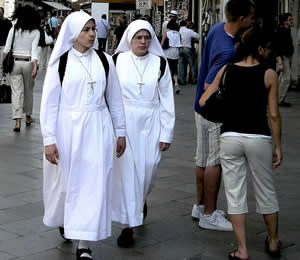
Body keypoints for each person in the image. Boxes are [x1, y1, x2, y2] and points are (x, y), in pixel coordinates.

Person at [40, 11, 126, 259]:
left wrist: (120, 132)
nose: (91, 34)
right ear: (72, 33)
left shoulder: (105, 60)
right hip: (68, 129)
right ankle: (67, 220)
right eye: (85, 29)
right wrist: (49, 140)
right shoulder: (61, 63)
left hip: (98, 128)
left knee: (93, 183)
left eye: (92, 29)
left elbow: (115, 99)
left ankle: (84, 244)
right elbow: (50, 104)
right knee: (67, 183)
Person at [199, 26, 282, 260]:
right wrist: (277, 146)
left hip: (230, 137)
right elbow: (274, 114)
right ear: (260, 48)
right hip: (259, 137)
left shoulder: (226, 70)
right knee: (266, 190)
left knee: (235, 194)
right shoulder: (269, 74)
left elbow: (205, 99)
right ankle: (273, 241)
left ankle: (242, 250)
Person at [192, 0, 255, 231]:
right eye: (251, 17)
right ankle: (209, 214)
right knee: (213, 162)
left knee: (202, 159)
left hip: (200, 109)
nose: (253, 20)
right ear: (241, 19)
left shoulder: (218, 28)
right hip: (213, 112)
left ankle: (199, 206)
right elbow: (211, 84)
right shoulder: (227, 51)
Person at [111, 20, 175, 248]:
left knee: (148, 168)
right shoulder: (117, 60)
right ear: (130, 38)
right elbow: (109, 95)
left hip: (150, 122)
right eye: (138, 37)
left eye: (147, 37)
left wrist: (166, 132)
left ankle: (141, 198)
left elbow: (167, 99)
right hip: (125, 123)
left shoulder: (160, 63)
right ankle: (127, 226)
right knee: (127, 173)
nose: (143, 41)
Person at [2, 5, 40, 132]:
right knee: (28, 91)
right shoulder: (35, 32)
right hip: (28, 63)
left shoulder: (13, 30)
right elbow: (34, 51)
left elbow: (6, 49)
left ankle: (17, 120)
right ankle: (28, 117)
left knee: (16, 92)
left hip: (15, 63)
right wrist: (35, 66)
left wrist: (1, 65)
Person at [276, 13, 294, 107]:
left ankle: (278, 98)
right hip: (283, 58)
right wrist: (280, 63)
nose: (292, 21)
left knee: (282, 79)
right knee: (286, 79)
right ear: (285, 21)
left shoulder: (287, 30)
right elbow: (277, 48)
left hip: (287, 57)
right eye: (290, 19)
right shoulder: (281, 31)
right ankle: (279, 100)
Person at [161, 19, 181, 94]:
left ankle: (167, 86)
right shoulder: (178, 34)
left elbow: (162, 44)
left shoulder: (166, 33)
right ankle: (176, 84)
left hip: (167, 53)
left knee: (166, 70)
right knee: (174, 69)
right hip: (175, 53)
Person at [178, 20, 200, 85]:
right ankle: (194, 80)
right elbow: (198, 36)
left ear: (180, 25)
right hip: (187, 49)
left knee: (181, 66)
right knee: (192, 65)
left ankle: (182, 80)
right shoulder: (189, 31)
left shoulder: (178, 31)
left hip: (180, 49)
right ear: (186, 25)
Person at [0, 7, 12, 79]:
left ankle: (2, 77)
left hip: (4, 45)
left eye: (1, 12)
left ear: (3, 13)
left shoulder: (8, 22)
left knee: (2, 63)